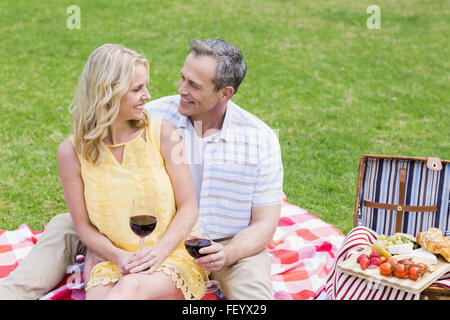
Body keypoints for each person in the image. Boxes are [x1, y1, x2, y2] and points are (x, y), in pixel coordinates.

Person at [0, 39, 284, 300]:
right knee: (67, 223)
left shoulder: (258, 139)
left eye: (193, 85)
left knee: (254, 302)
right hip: (140, 224)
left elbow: (264, 223)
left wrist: (229, 253)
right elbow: (98, 137)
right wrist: (105, 248)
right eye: (182, 78)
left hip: (222, 241)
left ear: (225, 93)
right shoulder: (154, 114)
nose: (180, 89)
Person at [57, 43, 205, 300]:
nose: (147, 95)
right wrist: (119, 257)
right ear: (108, 93)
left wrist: (158, 253)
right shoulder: (71, 152)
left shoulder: (164, 135)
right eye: (138, 89)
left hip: (171, 252)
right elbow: (83, 226)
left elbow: (189, 207)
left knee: (129, 289)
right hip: (116, 258)